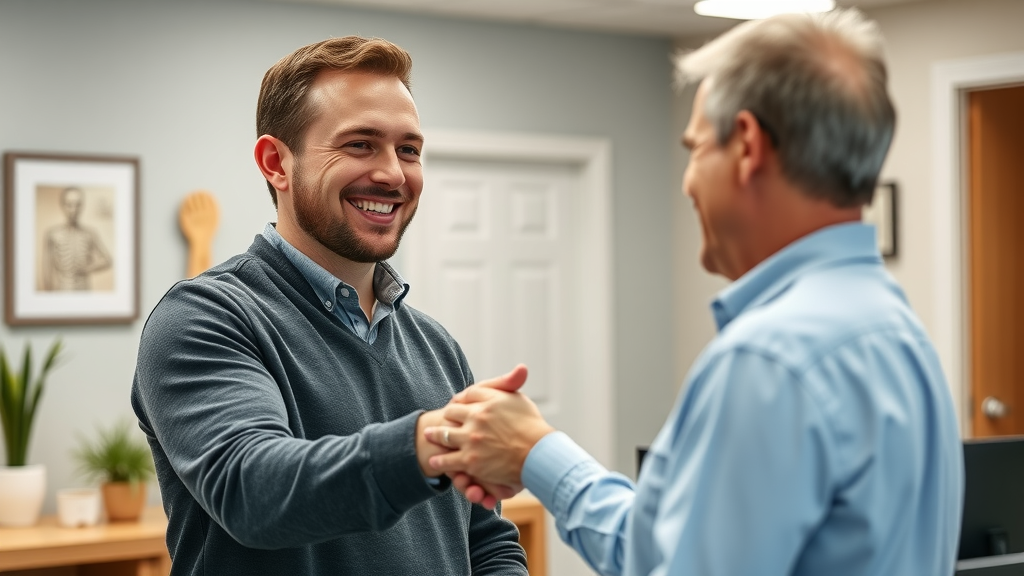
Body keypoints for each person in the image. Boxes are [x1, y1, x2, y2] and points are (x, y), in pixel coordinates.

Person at [424, 9, 964, 576]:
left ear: (748, 146)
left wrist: (531, 450)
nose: (687, 183)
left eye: (696, 149)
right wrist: (535, 453)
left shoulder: (770, 360)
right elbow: (673, 549)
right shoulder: (896, 329)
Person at [131, 36, 527, 576]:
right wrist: (435, 444)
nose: (393, 173)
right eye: (360, 144)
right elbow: (254, 490)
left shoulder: (436, 347)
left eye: (408, 149)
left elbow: (484, 540)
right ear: (276, 163)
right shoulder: (205, 319)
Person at [42, 186, 112, 291]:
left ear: (82, 206)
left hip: (84, 290)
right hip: (62, 290)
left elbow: (107, 260)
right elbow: (47, 272)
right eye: (69, 205)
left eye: (77, 205)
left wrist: (87, 268)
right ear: (63, 205)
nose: (73, 210)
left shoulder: (90, 233)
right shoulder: (52, 234)